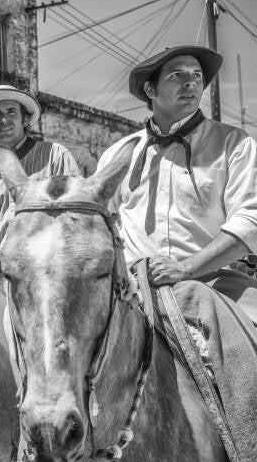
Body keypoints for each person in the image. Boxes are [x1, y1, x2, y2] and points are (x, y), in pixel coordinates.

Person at [97, 45, 257, 458]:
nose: (191, 83)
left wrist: (187, 268)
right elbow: (98, 220)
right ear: (150, 89)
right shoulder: (119, 154)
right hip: (135, 289)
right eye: (177, 75)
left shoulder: (233, 144)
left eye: (196, 77)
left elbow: (250, 220)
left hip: (219, 283)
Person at [0, 84, 81, 260]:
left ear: (25, 120)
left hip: (50, 274)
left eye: (11, 112)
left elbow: (78, 213)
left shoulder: (55, 156)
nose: (4, 120)